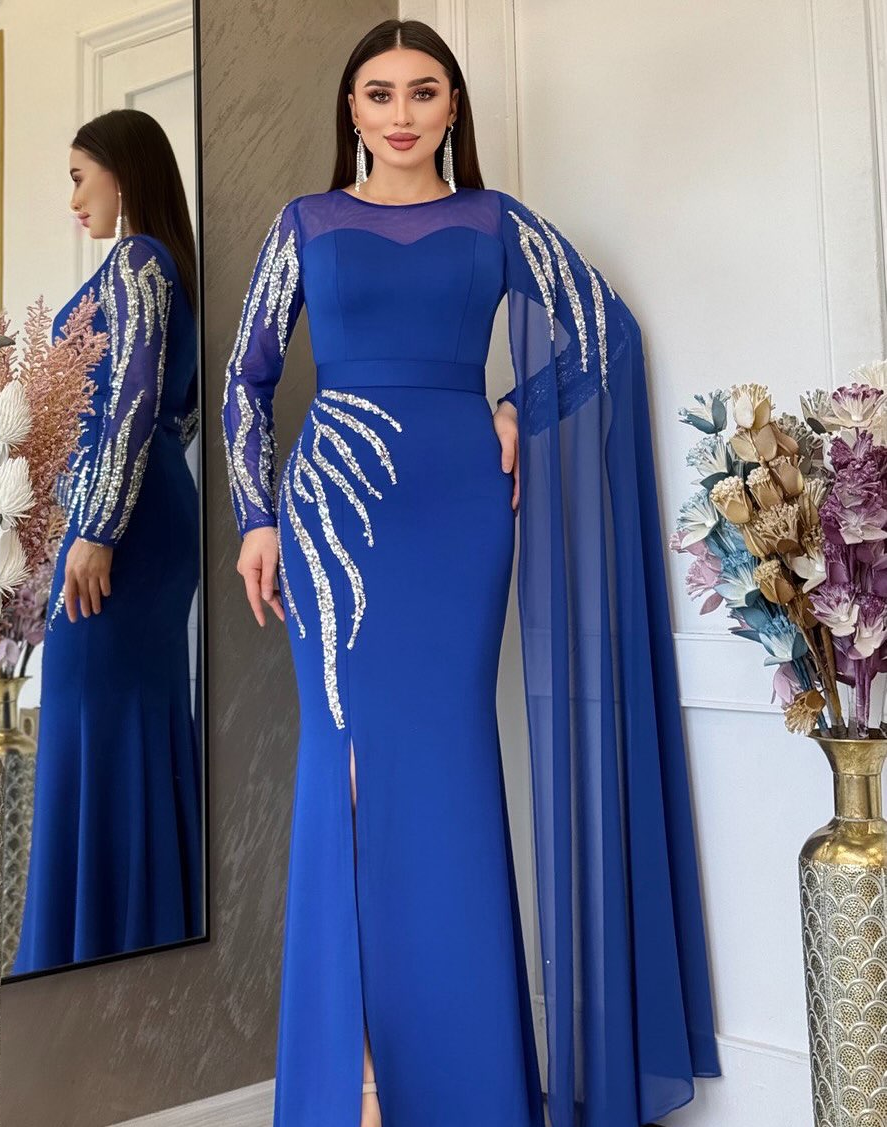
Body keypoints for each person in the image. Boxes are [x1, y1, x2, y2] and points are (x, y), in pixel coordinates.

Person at [222, 19, 721, 1127]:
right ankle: (354, 1080)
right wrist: (256, 515)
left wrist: (512, 405)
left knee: (447, 769)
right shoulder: (304, 223)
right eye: (378, 92)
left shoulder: (495, 221)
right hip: (333, 514)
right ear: (350, 109)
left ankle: (464, 1087)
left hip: (455, 511)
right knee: (347, 767)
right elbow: (243, 381)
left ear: (453, 107)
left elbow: (599, 333)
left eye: (423, 91)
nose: (400, 113)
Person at [12, 109, 202, 975]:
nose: (72, 199)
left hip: (118, 532)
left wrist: (96, 527)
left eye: (79, 177)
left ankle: (97, 954)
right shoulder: (166, 267)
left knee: (97, 721)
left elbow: (133, 402)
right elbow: (176, 415)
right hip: (142, 518)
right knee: (123, 722)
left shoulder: (136, 261)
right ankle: (135, 944)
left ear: (124, 172)